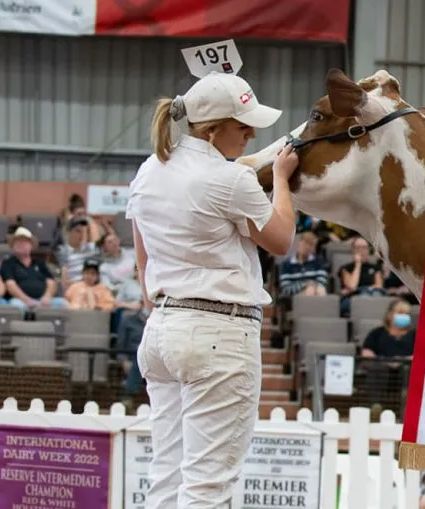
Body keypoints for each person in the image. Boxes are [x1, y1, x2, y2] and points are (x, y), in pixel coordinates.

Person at [126, 71, 299, 509]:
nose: (251, 134)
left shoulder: (149, 171)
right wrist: (280, 179)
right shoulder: (229, 180)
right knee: (208, 484)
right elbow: (280, 240)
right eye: (242, 127)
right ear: (213, 128)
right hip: (219, 331)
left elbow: (142, 258)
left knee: (166, 475)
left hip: (163, 324)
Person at [0, 227, 67, 309]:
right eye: (17, 242)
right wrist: (27, 300)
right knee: (16, 306)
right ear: (12, 246)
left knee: (63, 303)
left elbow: (51, 282)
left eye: (24, 242)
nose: (20, 244)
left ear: (31, 246)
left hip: (44, 300)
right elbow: (10, 285)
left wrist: (47, 297)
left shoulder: (39, 263)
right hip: (20, 300)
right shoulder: (8, 263)